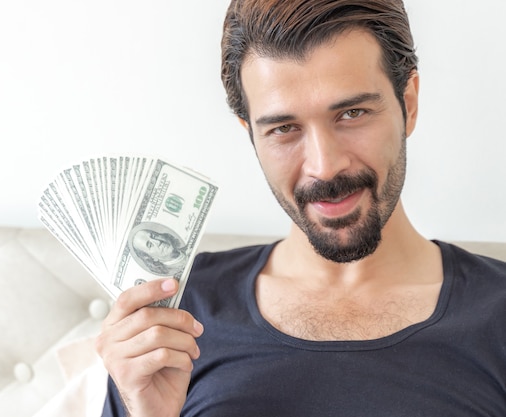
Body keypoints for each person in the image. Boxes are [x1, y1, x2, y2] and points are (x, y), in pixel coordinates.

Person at [95, 1, 506, 416]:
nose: (324, 167)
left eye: (352, 113)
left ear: (408, 104)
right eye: (284, 129)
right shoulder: (179, 308)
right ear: (252, 135)